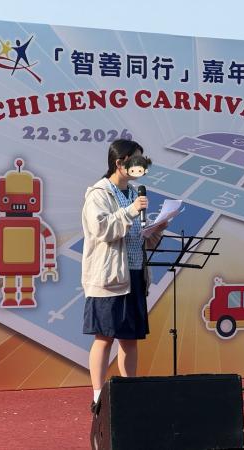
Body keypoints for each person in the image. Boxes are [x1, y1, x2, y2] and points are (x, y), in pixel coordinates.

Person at [81, 139, 166, 412]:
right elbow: (102, 230)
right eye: (136, 161)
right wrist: (131, 211)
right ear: (119, 163)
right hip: (109, 276)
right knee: (104, 336)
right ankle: (97, 395)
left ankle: (129, 393)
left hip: (135, 275)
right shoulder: (98, 194)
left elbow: (138, 237)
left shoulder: (132, 193)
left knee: (129, 339)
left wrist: (156, 229)